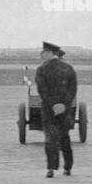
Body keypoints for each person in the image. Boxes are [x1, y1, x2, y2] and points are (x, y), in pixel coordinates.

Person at [35, 41, 77, 177]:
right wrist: (64, 104)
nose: (41, 55)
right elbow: (72, 89)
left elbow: (42, 90)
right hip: (65, 109)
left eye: (43, 52)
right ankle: (68, 167)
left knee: (50, 137)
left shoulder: (42, 69)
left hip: (48, 109)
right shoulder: (68, 68)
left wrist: (53, 104)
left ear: (49, 52)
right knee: (65, 137)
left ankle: (51, 168)